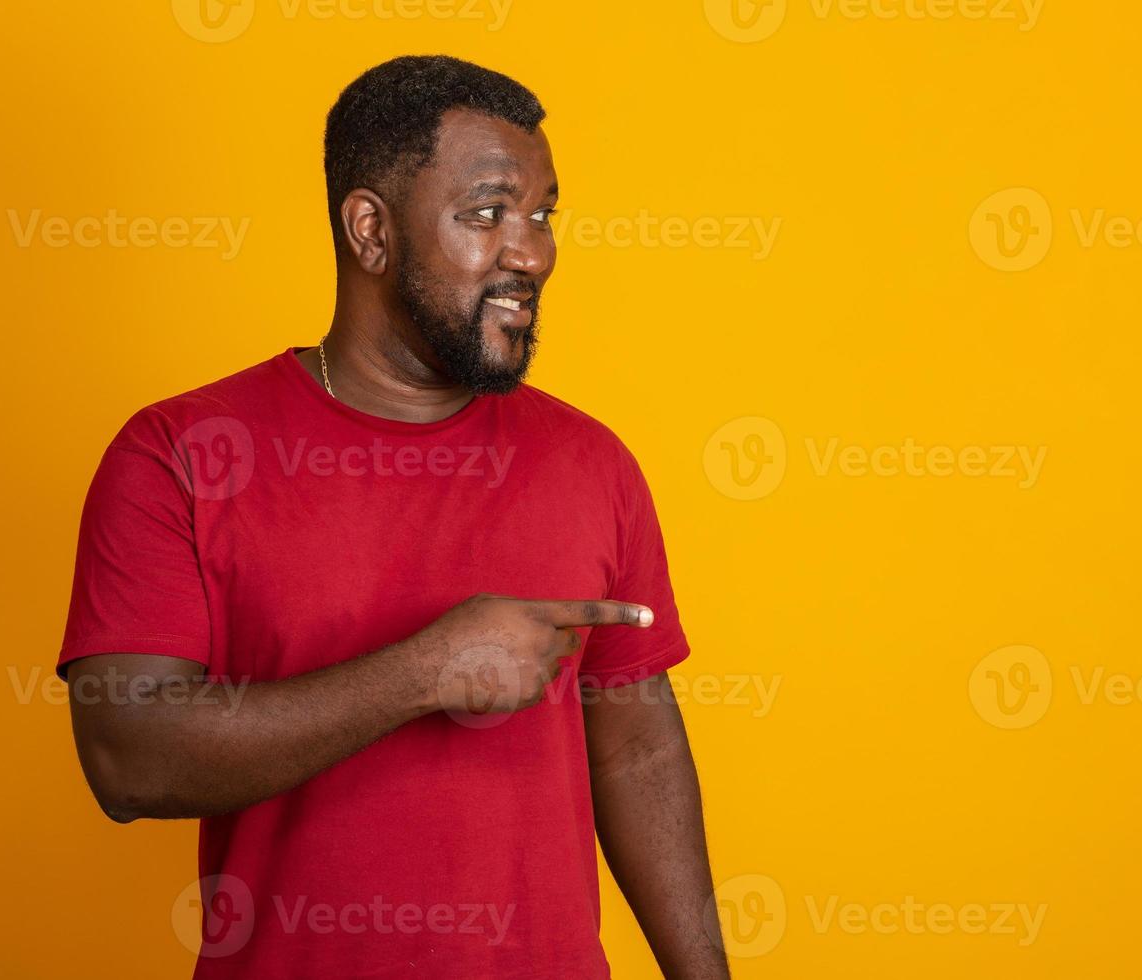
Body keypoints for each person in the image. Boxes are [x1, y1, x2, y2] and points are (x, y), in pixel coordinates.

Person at [59, 54, 729, 979]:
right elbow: (126, 757)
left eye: (542, 215)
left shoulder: (591, 462)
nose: (531, 251)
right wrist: (425, 672)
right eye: (488, 214)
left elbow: (639, 750)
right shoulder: (179, 452)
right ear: (370, 231)